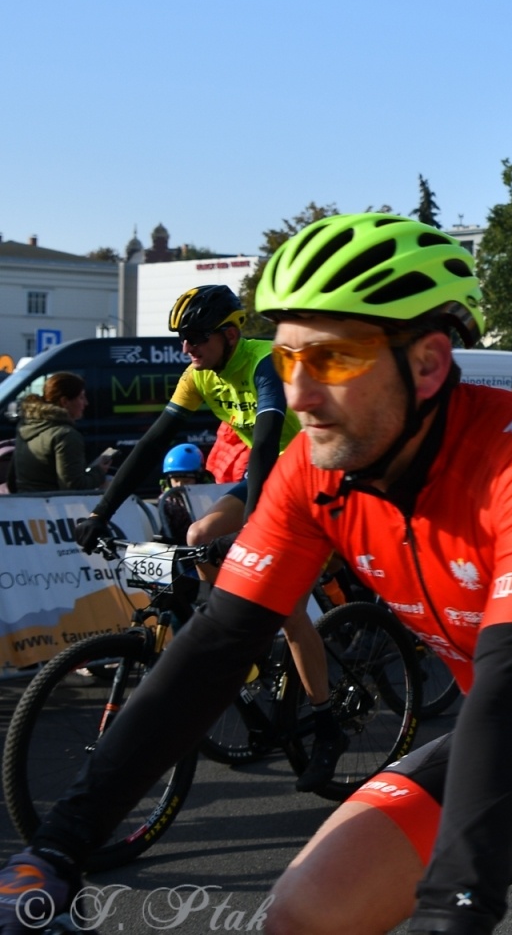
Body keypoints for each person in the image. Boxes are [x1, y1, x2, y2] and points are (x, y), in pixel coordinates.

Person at [8, 214, 512, 935]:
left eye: (332, 359)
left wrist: (455, 908)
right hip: (503, 740)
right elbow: (215, 650)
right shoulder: (312, 470)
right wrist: (58, 846)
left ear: (427, 363)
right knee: (301, 914)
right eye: (290, 359)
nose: (299, 395)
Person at [69, 284, 346, 791]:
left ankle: (327, 725)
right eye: (182, 338)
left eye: (196, 337)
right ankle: (246, 637)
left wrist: (255, 531)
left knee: (287, 608)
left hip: (312, 473)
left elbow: (264, 443)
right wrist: (101, 510)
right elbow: (153, 442)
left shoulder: (266, 362)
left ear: (231, 334)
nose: (187, 348)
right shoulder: (198, 375)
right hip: (268, 478)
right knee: (199, 533)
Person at [12, 373, 108, 492]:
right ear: (64, 402)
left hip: (24, 505)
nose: (86, 403)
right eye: (81, 397)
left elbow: (12, 480)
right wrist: (99, 472)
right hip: (54, 507)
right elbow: (74, 487)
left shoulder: (26, 426)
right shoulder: (65, 435)